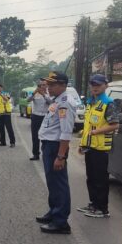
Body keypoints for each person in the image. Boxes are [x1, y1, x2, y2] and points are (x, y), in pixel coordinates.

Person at [36, 71, 76, 234]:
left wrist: (61, 156)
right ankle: (54, 212)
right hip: (49, 145)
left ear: (62, 85)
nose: (48, 87)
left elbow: (66, 132)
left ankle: (61, 222)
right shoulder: (57, 100)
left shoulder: (65, 103)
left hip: (55, 147)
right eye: (48, 84)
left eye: (52, 85)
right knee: (52, 182)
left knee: (59, 183)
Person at [76, 74, 119, 218]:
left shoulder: (109, 103)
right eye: (93, 85)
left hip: (101, 149)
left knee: (100, 179)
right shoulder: (91, 102)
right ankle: (93, 204)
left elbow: (114, 125)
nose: (95, 87)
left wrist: (96, 132)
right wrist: (82, 143)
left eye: (98, 85)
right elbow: (88, 125)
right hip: (90, 146)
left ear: (105, 86)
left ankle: (102, 209)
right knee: (91, 178)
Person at [28, 81, 53, 160]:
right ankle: (35, 154)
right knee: (35, 136)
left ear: (47, 86)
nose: (42, 86)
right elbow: (28, 100)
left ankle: (46, 154)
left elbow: (51, 102)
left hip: (45, 117)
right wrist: (33, 93)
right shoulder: (35, 93)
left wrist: (43, 95)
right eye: (40, 85)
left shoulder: (50, 94)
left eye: (44, 85)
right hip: (35, 116)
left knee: (45, 136)